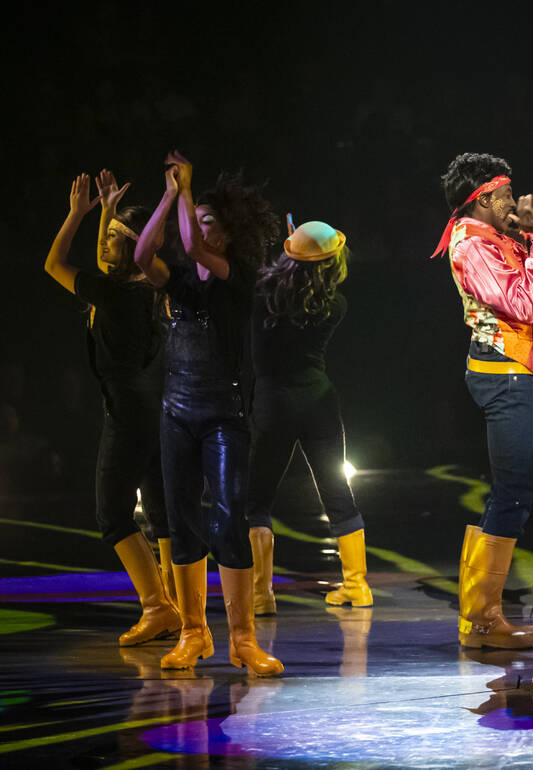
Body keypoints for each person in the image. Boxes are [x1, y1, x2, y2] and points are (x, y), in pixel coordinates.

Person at [134, 152, 283, 676]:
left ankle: (242, 639)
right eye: (197, 219)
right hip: (176, 411)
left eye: (210, 219)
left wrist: (189, 190)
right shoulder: (178, 277)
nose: (200, 226)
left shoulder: (237, 274)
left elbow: (194, 243)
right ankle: (194, 633)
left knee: (229, 520)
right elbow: (142, 252)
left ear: (228, 232)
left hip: (224, 414)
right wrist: (170, 196)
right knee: (180, 520)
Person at [43, 171, 178, 646]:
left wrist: (78, 212)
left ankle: (158, 607)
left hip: (129, 413)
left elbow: (54, 263)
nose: (105, 244)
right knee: (160, 511)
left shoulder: (113, 293)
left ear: (134, 248)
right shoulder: (146, 289)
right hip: (155, 411)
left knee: (112, 515)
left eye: (117, 238)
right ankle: (176, 607)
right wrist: (105, 213)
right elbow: (109, 260)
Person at [433, 152, 533, 649]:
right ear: (483, 199)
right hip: (504, 374)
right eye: (506, 194)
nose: (513, 201)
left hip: (516, 370)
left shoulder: (492, 238)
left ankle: (479, 615)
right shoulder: (473, 248)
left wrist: (532, 237)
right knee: (513, 493)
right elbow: (527, 304)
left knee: (512, 492)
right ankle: (481, 620)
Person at [246, 218, 372, 615]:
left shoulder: (260, 294)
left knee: (258, 501)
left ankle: (261, 595)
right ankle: (357, 586)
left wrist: (291, 249)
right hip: (318, 401)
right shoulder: (337, 303)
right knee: (338, 495)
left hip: (273, 405)